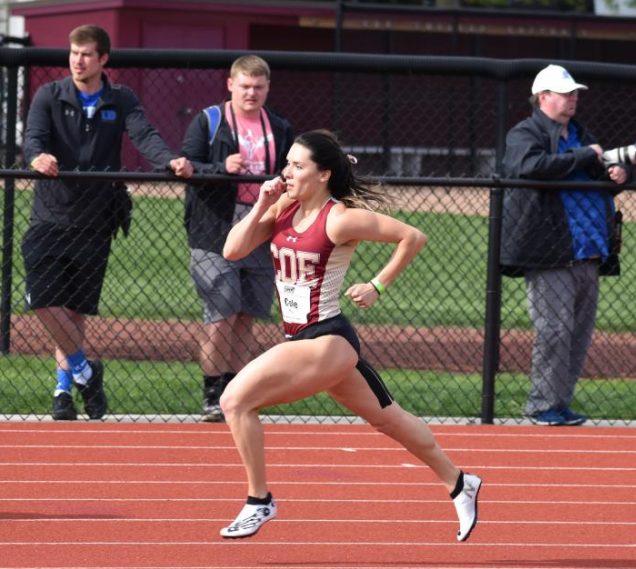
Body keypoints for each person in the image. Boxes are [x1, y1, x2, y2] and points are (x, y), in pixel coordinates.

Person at [216, 129, 482, 541]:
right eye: (287, 163)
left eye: (297, 166)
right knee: (389, 419)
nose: (287, 172)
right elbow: (232, 250)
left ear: (322, 175)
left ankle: (259, 500)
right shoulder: (284, 206)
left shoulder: (339, 219)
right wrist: (262, 204)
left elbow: (413, 236)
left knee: (234, 399)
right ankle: (459, 481)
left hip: (326, 339)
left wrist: (377, 285)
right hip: (305, 342)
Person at [23, 24, 193, 421]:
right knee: (44, 300)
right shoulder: (50, 95)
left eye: (85, 54)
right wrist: (36, 157)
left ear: (103, 59)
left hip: (95, 219)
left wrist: (169, 160)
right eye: (73, 53)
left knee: (76, 311)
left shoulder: (121, 99)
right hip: (50, 215)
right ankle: (86, 370)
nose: (77, 61)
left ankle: (63, 391)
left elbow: (144, 134)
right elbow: (33, 139)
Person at [500, 64, 628, 427]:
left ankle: (559, 402)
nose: (573, 99)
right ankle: (542, 405)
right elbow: (528, 166)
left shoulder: (579, 133)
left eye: (575, 93)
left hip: (588, 250)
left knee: (578, 334)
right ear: (544, 98)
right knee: (554, 331)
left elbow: (597, 170)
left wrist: (617, 174)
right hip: (550, 250)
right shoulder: (526, 133)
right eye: (565, 93)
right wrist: (587, 156)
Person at [181, 55, 294, 423]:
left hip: (262, 224)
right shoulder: (210, 121)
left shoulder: (278, 126)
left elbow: (293, 171)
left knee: (248, 312)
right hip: (216, 227)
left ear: (267, 88)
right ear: (231, 84)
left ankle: (238, 389)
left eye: (258, 87)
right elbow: (186, 164)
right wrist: (221, 168)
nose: (251, 93)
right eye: (245, 86)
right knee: (222, 307)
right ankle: (212, 392)